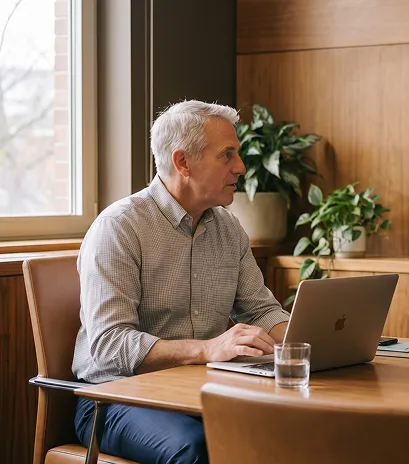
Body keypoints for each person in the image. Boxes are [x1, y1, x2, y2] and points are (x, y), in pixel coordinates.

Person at [72, 100, 290, 463]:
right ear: (182, 162)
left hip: (198, 390)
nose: (241, 166)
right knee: (199, 447)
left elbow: (262, 310)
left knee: (296, 428)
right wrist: (207, 350)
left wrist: (312, 341)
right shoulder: (119, 227)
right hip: (112, 398)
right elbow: (109, 346)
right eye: (227, 155)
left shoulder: (228, 228)